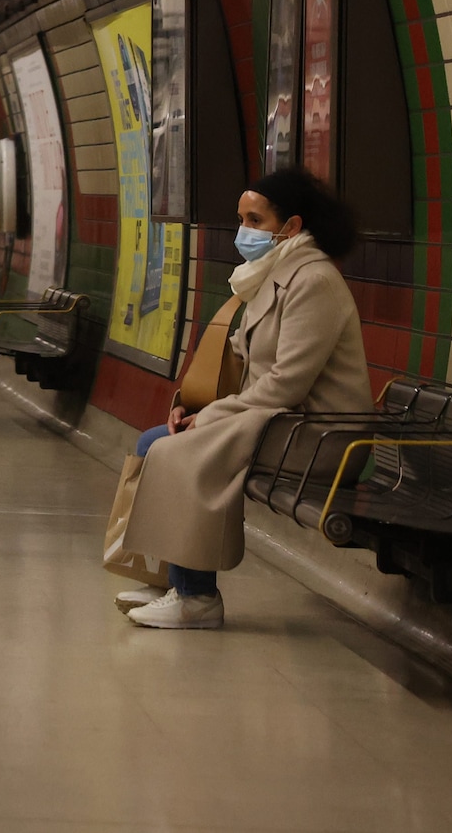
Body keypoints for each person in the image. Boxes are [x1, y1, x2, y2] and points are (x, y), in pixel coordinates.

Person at [118, 167, 371, 629]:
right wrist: (193, 406)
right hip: (280, 422)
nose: (244, 231)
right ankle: (171, 581)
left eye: (255, 220)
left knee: (179, 452)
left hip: (318, 434)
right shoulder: (271, 274)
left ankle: (198, 599)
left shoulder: (312, 282)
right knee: (153, 442)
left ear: (290, 227)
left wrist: (210, 419)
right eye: (242, 219)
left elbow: (287, 383)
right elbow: (237, 359)